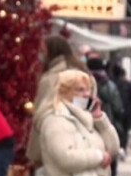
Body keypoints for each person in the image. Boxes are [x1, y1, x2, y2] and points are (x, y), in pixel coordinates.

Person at [27, 35, 89, 163]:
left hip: (55, 134)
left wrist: (35, 153)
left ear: (52, 51)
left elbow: (42, 111)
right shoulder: (81, 72)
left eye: (44, 51)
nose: (41, 54)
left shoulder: (54, 77)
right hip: (79, 136)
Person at [86, 57, 125, 176]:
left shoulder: (85, 84)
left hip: (88, 123)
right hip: (107, 121)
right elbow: (118, 107)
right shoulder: (110, 85)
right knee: (109, 150)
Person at [111, 63, 131, 156]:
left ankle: (116, 147)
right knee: (124, 131)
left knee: (115, 129)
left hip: (115, 112)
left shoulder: (111, 84)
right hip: (127, 111)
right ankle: (123, 147)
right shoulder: (129, 84)